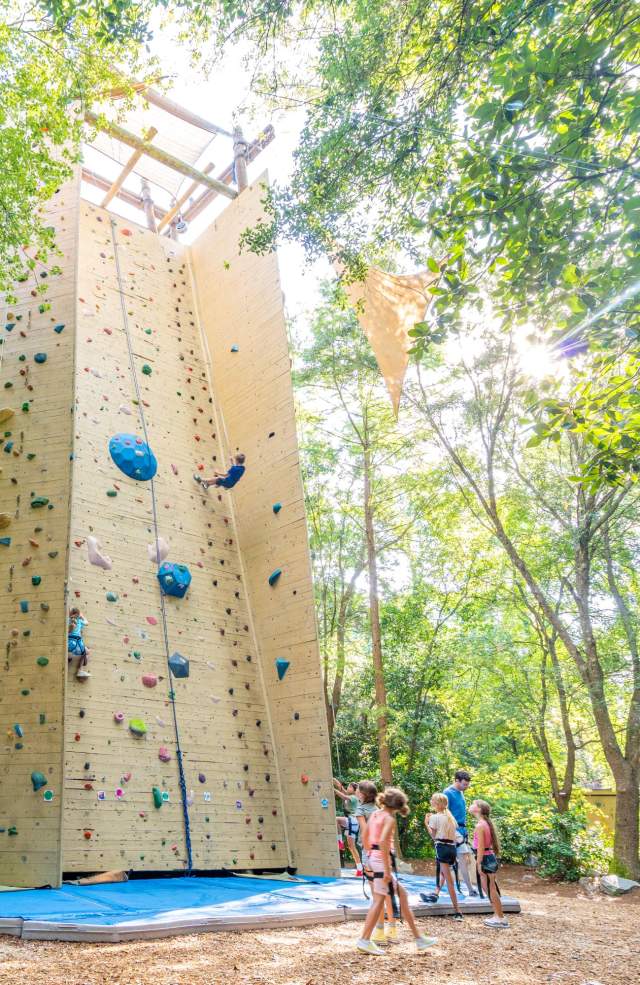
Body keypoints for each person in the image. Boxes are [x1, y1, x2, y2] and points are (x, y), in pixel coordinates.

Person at [356, 787, 437, 956]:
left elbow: (365, 836)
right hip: (380, 862)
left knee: (402, 895)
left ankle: (419, 939)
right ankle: (364, 940)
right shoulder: (389, 819)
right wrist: (386, 870)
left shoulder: (376, 814)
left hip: (373, 858)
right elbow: (384, 841)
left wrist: (368, 857)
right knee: (378, 901)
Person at [355, 781, 397, 944]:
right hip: (385, 852)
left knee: (376, 893)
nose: (357, 793)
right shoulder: (380, 810)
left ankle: (379, 932)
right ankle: (392, 929)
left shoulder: (361, 810)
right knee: (386, 891)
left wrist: (368, 854)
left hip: (371, 851)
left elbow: (366, 831)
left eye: (358, 791)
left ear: (362, 794)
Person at [470, 799, 509, 929]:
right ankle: (498, 915)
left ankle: (500, 918)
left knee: (490, 888)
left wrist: (478, 863)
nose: (471, 805)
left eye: (474, 804)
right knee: (489, 887)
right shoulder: (484, 823)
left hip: (485, 859)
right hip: (488, 857)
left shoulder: (480, 825)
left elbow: (481, 847)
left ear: (479, 809)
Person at [425, 793, 463, 921]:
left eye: (432, 800)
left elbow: (434, 836)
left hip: (442, 848)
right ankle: (435, 893)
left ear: (436, 803)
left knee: (449, 881)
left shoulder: (434, 818)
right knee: (443, 873)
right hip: (452, 849)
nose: (430, 801)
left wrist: (426, 823)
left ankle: (458, 911)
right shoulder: (451, 818)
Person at [444, 769, 477, 896]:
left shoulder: (461, 792)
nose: (466, 787)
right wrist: (453, 832)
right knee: (461, 859)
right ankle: (469, 889)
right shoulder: (448, 793)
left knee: (463, 860)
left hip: (462, 830)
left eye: (467, 785)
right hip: (453, 831)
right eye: (464, 784)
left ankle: (468, 888)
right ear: (456, 780)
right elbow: (444, 812)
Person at [334, 778, 362, 876]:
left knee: (335, 820)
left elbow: (344, 796)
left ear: (354, 790)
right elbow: (340, 787)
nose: (348, 787)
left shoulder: (354, 797)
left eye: (350, 786)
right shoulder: (350, 795)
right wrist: (332, 779)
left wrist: (333, 790)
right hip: (352, 822)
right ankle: (359, 869)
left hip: (353, 822)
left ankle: (340, 842)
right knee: (351, 847)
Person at [68, 606, 90, 680]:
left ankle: (69, 658)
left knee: (71, 653)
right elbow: (87, 623)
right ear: (78, 614)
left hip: (69, 642)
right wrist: (82, 616)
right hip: (76, 643)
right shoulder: (80, 621)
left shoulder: (68, 620)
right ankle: (80, 670)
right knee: (86, 652)